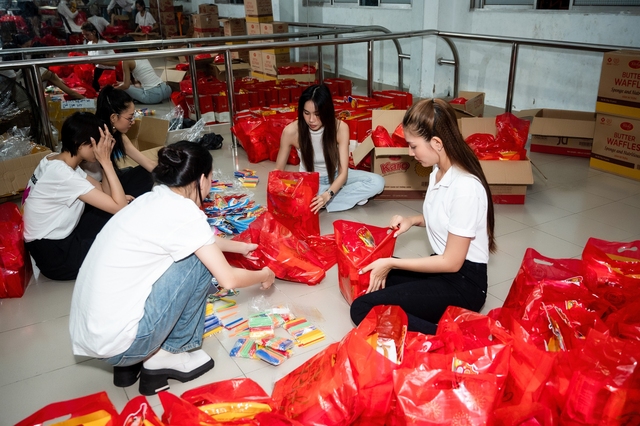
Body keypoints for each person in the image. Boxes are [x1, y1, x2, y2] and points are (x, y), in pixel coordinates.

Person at [69, 141, 276, 396]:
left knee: (184, 256)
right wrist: (265, 274)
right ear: (201, 181)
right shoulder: (185, 213)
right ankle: (167, 356)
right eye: (210, 179)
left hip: (98, 335)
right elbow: (229, 279)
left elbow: (194, 238)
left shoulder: (151, 199)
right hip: (122, 345)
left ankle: (130, 367)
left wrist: (238, 248)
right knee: (198, 264)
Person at [350, 99, 496, 335]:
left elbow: (451, 262)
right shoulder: (438, 171)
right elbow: (447, 218)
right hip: (442, 272)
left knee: (363, 307)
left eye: (413, 146)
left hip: (463, 285)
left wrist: (392, 263)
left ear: (436, 143)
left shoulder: (466, 187)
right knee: (368, 274)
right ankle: (420, 318)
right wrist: (413, 220)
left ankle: (451, 338)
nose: (410, 153)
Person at [22, 112, 128, 281]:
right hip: (56, 258)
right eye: (98, 144)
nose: (102, 149)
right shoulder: (62, 174)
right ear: (81, 145)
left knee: (110, 219)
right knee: (121, 236)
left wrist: (102, 163)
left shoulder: (54, 160)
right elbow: (120, 208)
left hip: (50, 244)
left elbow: (103, 191)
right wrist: (106, 161)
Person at [274, 84, 385, 213]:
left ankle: (323, 201)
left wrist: (327, 195)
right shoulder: (291, 131)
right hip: (311, 181)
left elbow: (344, 172)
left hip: (337, 176)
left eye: (317, 114)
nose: (311, 120)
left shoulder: (340, 128)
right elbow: (278, 170)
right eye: (306, 113)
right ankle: (341, 199)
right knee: (302, 195)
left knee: (377, 182)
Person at [94, 85, 156, 197]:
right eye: (130, 117)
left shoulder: (118, 135)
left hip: (110, 182)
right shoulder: (96, 140)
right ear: (113, 118)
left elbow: (148, 163)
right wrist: (121, 197)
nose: (133, 122)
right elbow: (100, 184)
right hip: (97, 191)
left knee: (147, 173)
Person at [115, 36, 172, 104]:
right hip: (166, 90)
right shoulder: (142, 55)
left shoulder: (126, 61)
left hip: (153, 96)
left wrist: (112, 89)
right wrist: (121, 83)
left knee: (125, 88)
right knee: (133, 86)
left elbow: (126, 86)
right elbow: (141, 77)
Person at [81, 22, 117, 91]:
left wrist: (98, 61)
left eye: (87, 34)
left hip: (108, 72)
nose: (85, 37)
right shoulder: (89, 44)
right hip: (97, 71)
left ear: (94, 32)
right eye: (84, 35)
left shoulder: (104, 43)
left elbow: (115, 62)